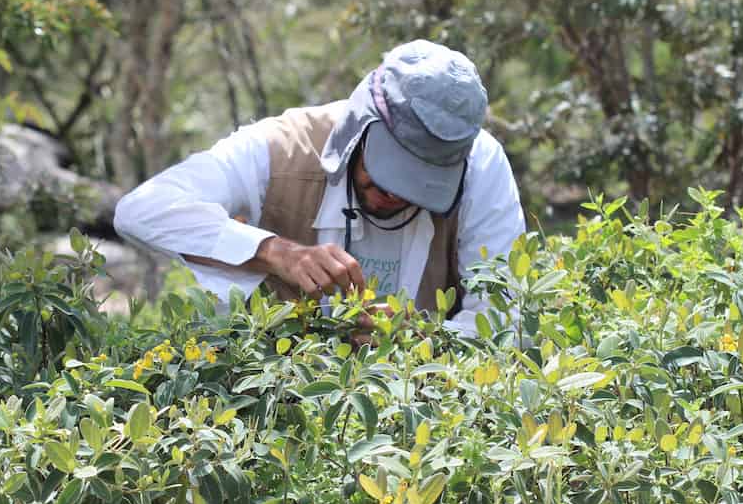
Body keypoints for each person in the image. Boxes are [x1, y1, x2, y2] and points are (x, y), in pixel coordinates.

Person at [113, 39, 525, 334]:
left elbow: (505, 323)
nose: (396, 193)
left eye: (421, 181)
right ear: (357, 128)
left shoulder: (481, 165)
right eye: (389, 168)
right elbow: (141, 210)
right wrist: (276, 253)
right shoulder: (283, 147)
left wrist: (422, 336)